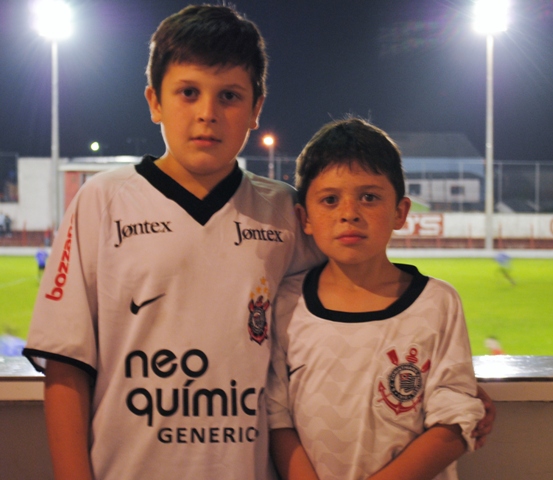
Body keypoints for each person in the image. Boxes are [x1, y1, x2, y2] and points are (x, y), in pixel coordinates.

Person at [22, 5, 321, 479]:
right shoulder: (103, 200)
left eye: (229, 96)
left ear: (256, 109)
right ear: (154, 102)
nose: (207, 114)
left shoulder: (286, 211)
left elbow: (342, 326)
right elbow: (65, 365)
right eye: (188, 92)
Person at [267, 118, 488, 480]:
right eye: (330, 200)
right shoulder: (286, 304)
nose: (349, 213)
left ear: (400, 212)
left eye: (369, 197)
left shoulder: (437, 303)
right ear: (304, 217)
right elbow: (277, 418)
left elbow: (455, 421)